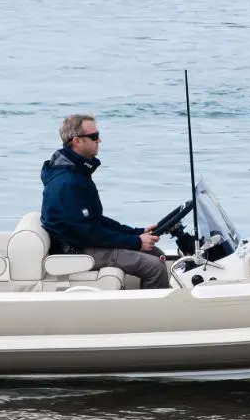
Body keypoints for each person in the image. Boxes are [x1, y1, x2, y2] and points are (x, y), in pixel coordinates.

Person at [40, 114, 171, 289]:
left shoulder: (77, 173)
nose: (99, 140)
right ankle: (154, 314)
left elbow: (96, 220)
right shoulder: (66, 182)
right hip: (75, 251)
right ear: (77, 141)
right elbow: (87, 232)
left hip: (83, 241)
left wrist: (136, 232)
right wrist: (136, 242)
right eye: (94, 137)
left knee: (156, 254)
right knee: (154, 267)